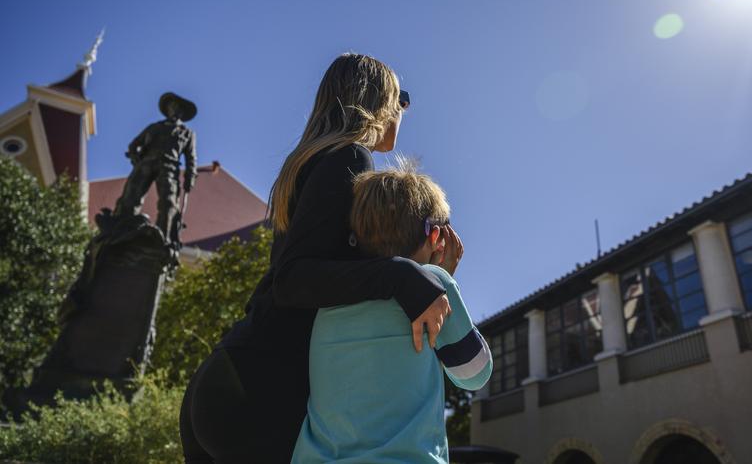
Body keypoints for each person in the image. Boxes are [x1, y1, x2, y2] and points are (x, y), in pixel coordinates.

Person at [179, 54, 457, 463]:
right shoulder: (350, 157)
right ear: (378, 100)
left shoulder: (310, 162)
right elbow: (293, 279)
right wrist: (405, 275)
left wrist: (427, 274)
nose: (404, 110)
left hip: (233, 373)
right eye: (402, 98)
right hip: (261, 392)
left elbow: (321, 276)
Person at [292, 162, 492, 463]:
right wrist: (445, 282)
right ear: (436, 237)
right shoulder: (434, 283)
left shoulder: (331, 293)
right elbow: (474, 374)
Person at [114, 92, 197, 246]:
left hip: (169, 167)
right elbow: (134, 145)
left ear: (182, 113)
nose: (174, 110)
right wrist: (136, 160)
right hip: (146, 164)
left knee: (169, 203)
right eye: (171, 107)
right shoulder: (154, 127)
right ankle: (121, 231)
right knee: (131, 196)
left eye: (177, 107)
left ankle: (162, 239)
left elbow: (191, 158)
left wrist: (190, 177)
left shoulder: (187, 133)